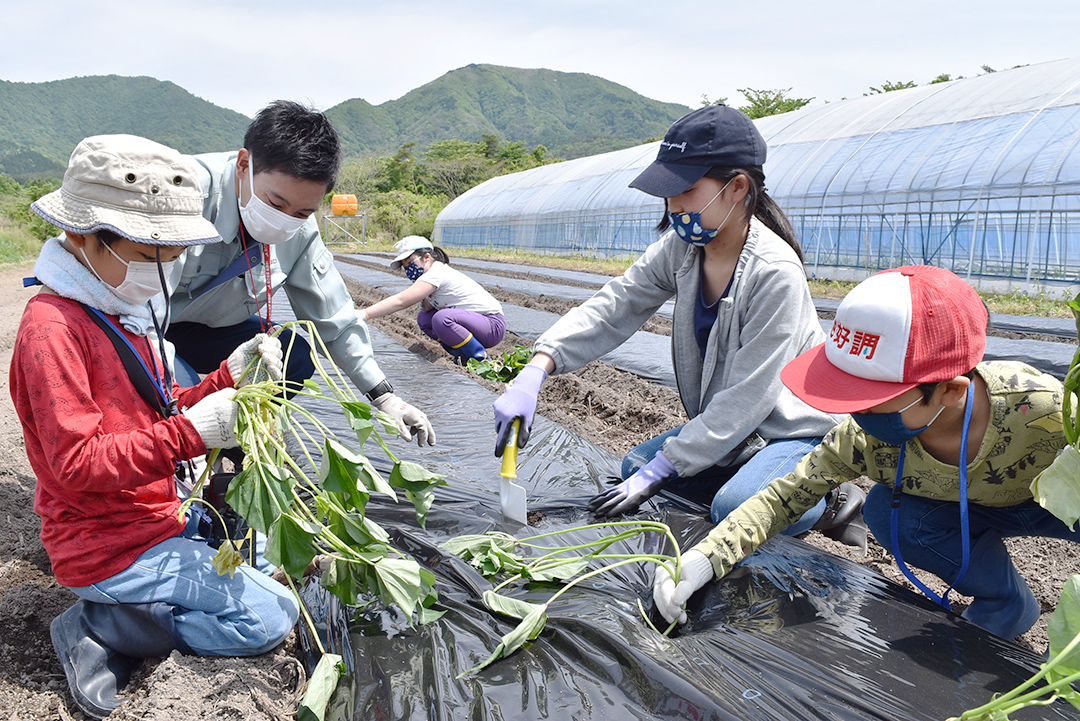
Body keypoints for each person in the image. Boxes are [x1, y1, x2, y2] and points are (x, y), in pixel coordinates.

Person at [11, 134, 298, 719]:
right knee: (270, 617)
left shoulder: (121, 310)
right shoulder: (53, 330)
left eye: (171, 259)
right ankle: (104, 626)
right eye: (150, 258)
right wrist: (195, 433)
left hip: (157, 514)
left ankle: (145, 607)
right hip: (106, 544)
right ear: (89, 237)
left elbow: (161, 407)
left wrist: (225, 378)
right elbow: (78, 465)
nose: (164, 272)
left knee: (263, 549)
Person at [492, 105, 862, 543]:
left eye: (685, 190)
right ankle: (749, 479)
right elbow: (617, 304)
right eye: (668, 193)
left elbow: (750, 395)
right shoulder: (682, 249)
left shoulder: (773, 271)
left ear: (737, 187)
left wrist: (665, 466)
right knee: (636, 468)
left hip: (790, 431)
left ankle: (829, 501)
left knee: (733, 507)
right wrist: (538, 367)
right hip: (737, 429)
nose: (673, 206)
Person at [654, 265, 1072, 640]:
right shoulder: (866, 438)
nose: (857, 415)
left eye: (872, 401)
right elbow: (784, 496)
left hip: (1061, 502)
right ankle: (1006, 603)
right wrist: (705, 559)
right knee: (889, 513)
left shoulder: (1045, 413)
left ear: (949, 391)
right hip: (968, 506)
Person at [165, 100, 434, 446]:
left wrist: (383, 396)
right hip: (143, 329)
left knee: (293, 356)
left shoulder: (301, 231)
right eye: (276, 204)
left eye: (303, 211)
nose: (286, 219)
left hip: (212, 332)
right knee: (175, 395)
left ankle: (240, 442)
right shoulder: (185, 195)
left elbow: (334, 319)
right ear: (245, 165)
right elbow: (134, 313)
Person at [361, 236, 506, 364]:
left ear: (427, 257)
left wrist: (365, 314)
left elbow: (401, 301)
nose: (408, 269)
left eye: (410, 262)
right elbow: (427, 308)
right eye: (405, 267)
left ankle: (481, 360)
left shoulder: (436, 273)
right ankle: (462, 354)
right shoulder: (429, 276)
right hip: (477, 323)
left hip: (492, 325)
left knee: (441, 319)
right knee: (425, 319)